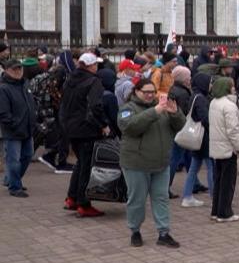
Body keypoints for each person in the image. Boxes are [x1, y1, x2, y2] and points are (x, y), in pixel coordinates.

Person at [118, 79, 186, 247]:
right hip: (136, 164)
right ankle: (135, 231)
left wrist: (175, 112)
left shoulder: (162, 107)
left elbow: (180, 125)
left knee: (161, 198)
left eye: (152, 91)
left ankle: (163, 233)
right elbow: (131, 127)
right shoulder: (128, 109)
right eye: (145, 91)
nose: (149, 95)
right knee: (137, 200)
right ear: (136, 91)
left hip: (161, 163)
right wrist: (155, 112)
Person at [60, 53, 111, 217]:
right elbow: (96, 106)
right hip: (86, 128)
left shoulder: (70, 79)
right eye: (95, 64)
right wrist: (103, 124)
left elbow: (65, 104)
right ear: (90, 66)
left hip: (70, 127)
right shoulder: (93, 81)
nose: (97, 67)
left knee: (80, 163)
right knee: (86, 166)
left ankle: (72, 197)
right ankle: (83, 203)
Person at [208, 77, 239, 222]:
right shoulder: (229, 106)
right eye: (232, 86)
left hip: (217, 147)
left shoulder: (213, 103)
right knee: (228, 182)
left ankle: (216, 210)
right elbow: (233, 130)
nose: (234, 88)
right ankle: (225, 212)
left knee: (219, 180)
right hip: (228, 148)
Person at [0, 60, 37, 197]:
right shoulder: (4, 88)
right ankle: (15, 186)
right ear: (7, 70)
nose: (18, 72)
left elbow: (31, 103)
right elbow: (3, 112)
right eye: (15, 69)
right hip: (13, 130)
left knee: (27, 155)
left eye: (20, 69)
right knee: (13, 160)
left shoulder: (24, 84)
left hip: (27, 128)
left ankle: (12, 180)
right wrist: (12, 124)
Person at [181, 72, 214, 207]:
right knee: (211, 166)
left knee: (194, 167)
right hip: (203, 138)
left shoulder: (194, 96)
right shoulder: (201, 98)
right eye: (210, 82)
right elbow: (204, 118)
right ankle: (215, 196)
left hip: (197, 138)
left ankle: (187, 196)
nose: (211, 85)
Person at [167, 66, 194, 196]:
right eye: (188, 77)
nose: (190, 80)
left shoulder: (174, 89)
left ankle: (194, 182)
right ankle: (166, 187)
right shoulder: (183, 93)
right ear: (183, 79)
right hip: (181, 129)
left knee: (188, 156)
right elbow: (184, 111)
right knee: (175, 158)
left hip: (176, 128)